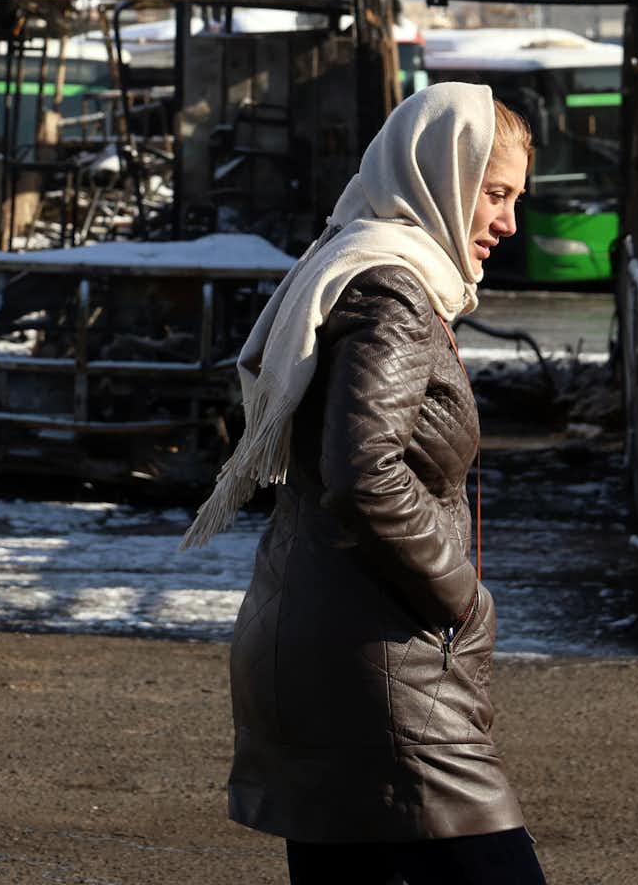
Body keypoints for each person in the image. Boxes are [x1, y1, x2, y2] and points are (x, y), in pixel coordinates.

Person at [183, 82, 547, 884]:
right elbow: (366, 474)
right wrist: (462, 595)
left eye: (514, 198)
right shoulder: (393, 293)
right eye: (494, 194)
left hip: (319, 646)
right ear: (440, 178)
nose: (508, 222)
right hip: (383, 680)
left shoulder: (349, 261)